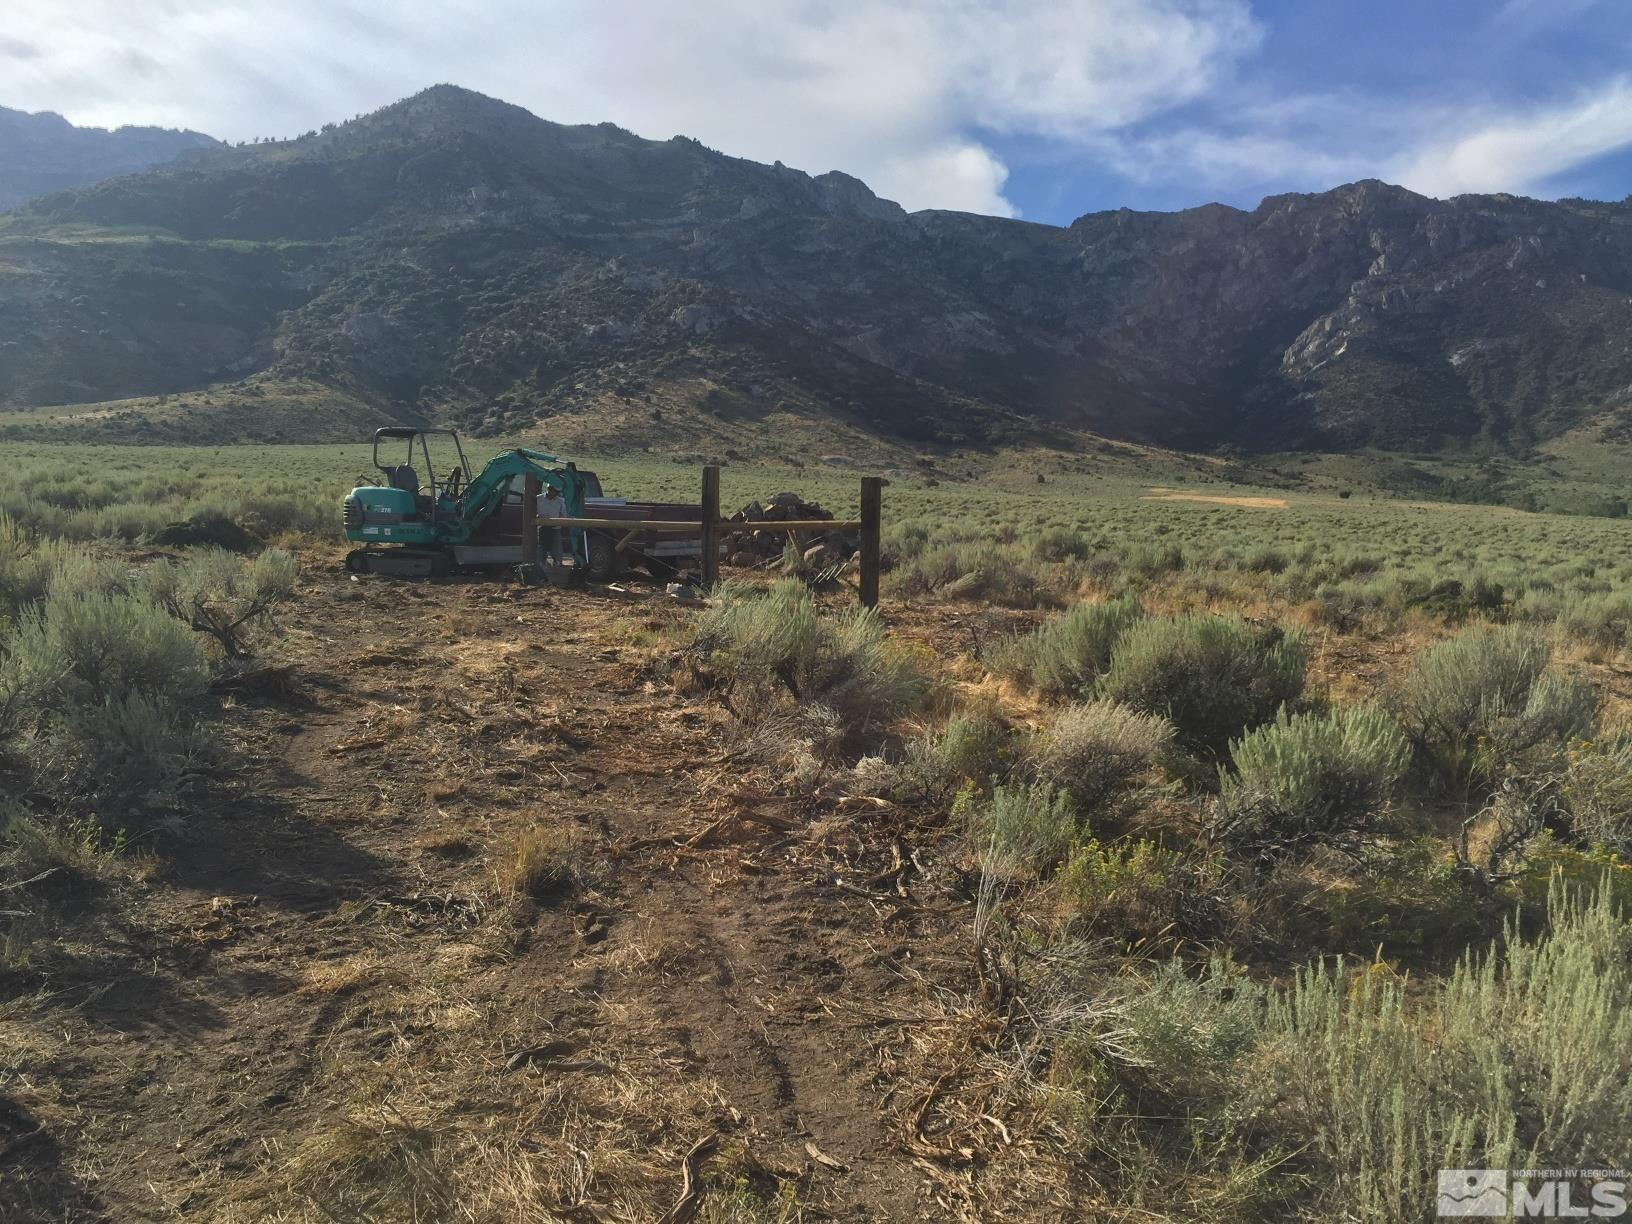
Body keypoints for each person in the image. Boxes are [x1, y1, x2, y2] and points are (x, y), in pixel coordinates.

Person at [536, 481, 569, 570]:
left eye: (557, 492)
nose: (555, 494)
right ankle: (541, 564)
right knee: (541, 547)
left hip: (555, 528)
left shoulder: (560, 501)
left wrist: (559, 522)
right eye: (554, 491)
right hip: (542, 528)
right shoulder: (538, 499)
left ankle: (558, 564)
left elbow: (564, 515)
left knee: (557, 548)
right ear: (549, 489)